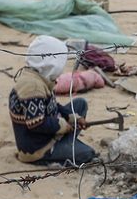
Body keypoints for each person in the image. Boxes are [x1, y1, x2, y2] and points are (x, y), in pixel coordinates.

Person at [9, 36, 96, 166]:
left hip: (49, 135)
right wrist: (63, 126)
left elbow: (52, 105)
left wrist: (72, 118)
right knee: (87, 154)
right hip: (37, 147)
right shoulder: (32, 87)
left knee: (80, 104)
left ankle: (65, 144)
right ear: (51, 63)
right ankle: (52, 154)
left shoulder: (41, 77)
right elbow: (37, 123)